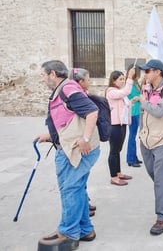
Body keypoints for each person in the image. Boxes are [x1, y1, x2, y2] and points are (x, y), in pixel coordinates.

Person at [36, 60, 100, 249]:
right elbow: (68, 120)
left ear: (53, 74)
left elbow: (92, 112)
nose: (42, 79)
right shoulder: (63, 90)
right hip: (69, 147)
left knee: (70, 189)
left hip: (77, 150)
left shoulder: (68, 89)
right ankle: (85, 229)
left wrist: (86, 139)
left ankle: (69, 232)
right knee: (77, 188)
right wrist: (50, 136)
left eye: (43, 75)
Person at [138, 59, 163, 235]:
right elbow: (144, 113)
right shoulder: (146, 88)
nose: (144, 74)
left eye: (147, 71)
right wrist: (140, 132)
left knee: (159, 178)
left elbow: (159, 111)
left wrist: (142, 101)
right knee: (152, 172)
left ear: (158, 72)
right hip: (146, 139)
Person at [69, 68, 98, 217]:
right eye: (87, 79)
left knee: (82, 177)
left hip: (82, 141)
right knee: (78, 179)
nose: (90, 82)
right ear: (80, 81)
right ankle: (83, 204)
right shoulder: (76, 95)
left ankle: (85, 203)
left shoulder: (80, 93)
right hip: (79, 142)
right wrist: (85, 139)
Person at [106, 69, 136, 186]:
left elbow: (125, 105)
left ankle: (118, 173)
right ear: (113, 80)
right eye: (121, 79)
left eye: (124, 79)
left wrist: (132, 101)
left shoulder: (119, 92)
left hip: (121, 124)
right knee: (113, 151)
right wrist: (130, 77)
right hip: (114, 125)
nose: (123, 81)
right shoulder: (111, 91)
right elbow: (126, 91)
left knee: (118, 150)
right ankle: (113, 177)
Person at [125, 64, 143, 168]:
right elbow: (132, 96)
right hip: (133, 112)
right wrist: (139, 97)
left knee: (134, 136)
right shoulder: (130, 84)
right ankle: (130, 159)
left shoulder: (136, 83)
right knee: (132, 136)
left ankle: (134, 157)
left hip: (137, 112)